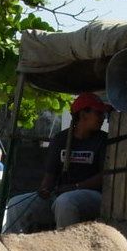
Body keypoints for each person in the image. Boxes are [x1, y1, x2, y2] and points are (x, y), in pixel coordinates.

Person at [36, 92, 110, 229]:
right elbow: (50, 174)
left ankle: (66, 249)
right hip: (61, 195)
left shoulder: (104, 140)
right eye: (99, 113)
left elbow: (104, 176)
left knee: (66, 202)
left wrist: (76, 187)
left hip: (94, 197)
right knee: (15, 204)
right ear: (83, 115)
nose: (103, 118)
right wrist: (44, 189)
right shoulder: (60, 139)